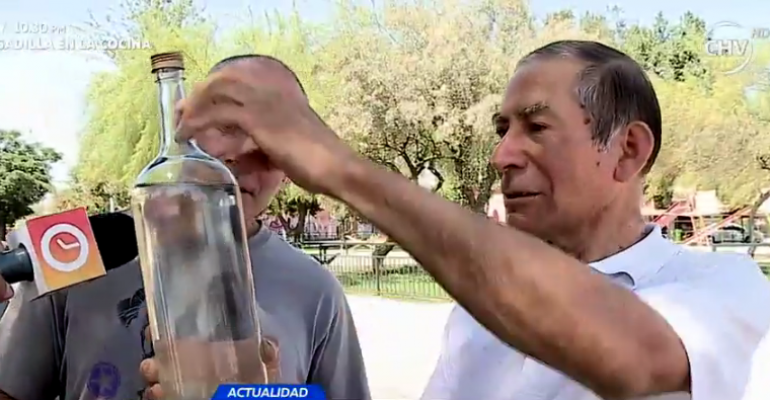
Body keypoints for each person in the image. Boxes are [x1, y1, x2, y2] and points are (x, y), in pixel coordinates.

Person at [148, 40, 770, 399]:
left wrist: (337, 166)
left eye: (536, 126)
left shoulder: (722, 287)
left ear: (628, 150)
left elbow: (638, 360)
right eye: (502, 130)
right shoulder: (477, 318)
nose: (502, 154)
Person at [0, 55, 370, 400]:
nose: (241, 151)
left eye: (274, 137)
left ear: (294, 167)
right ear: (187, 124)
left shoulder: (316, 290)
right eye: (229, 125)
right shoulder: (73, 250)